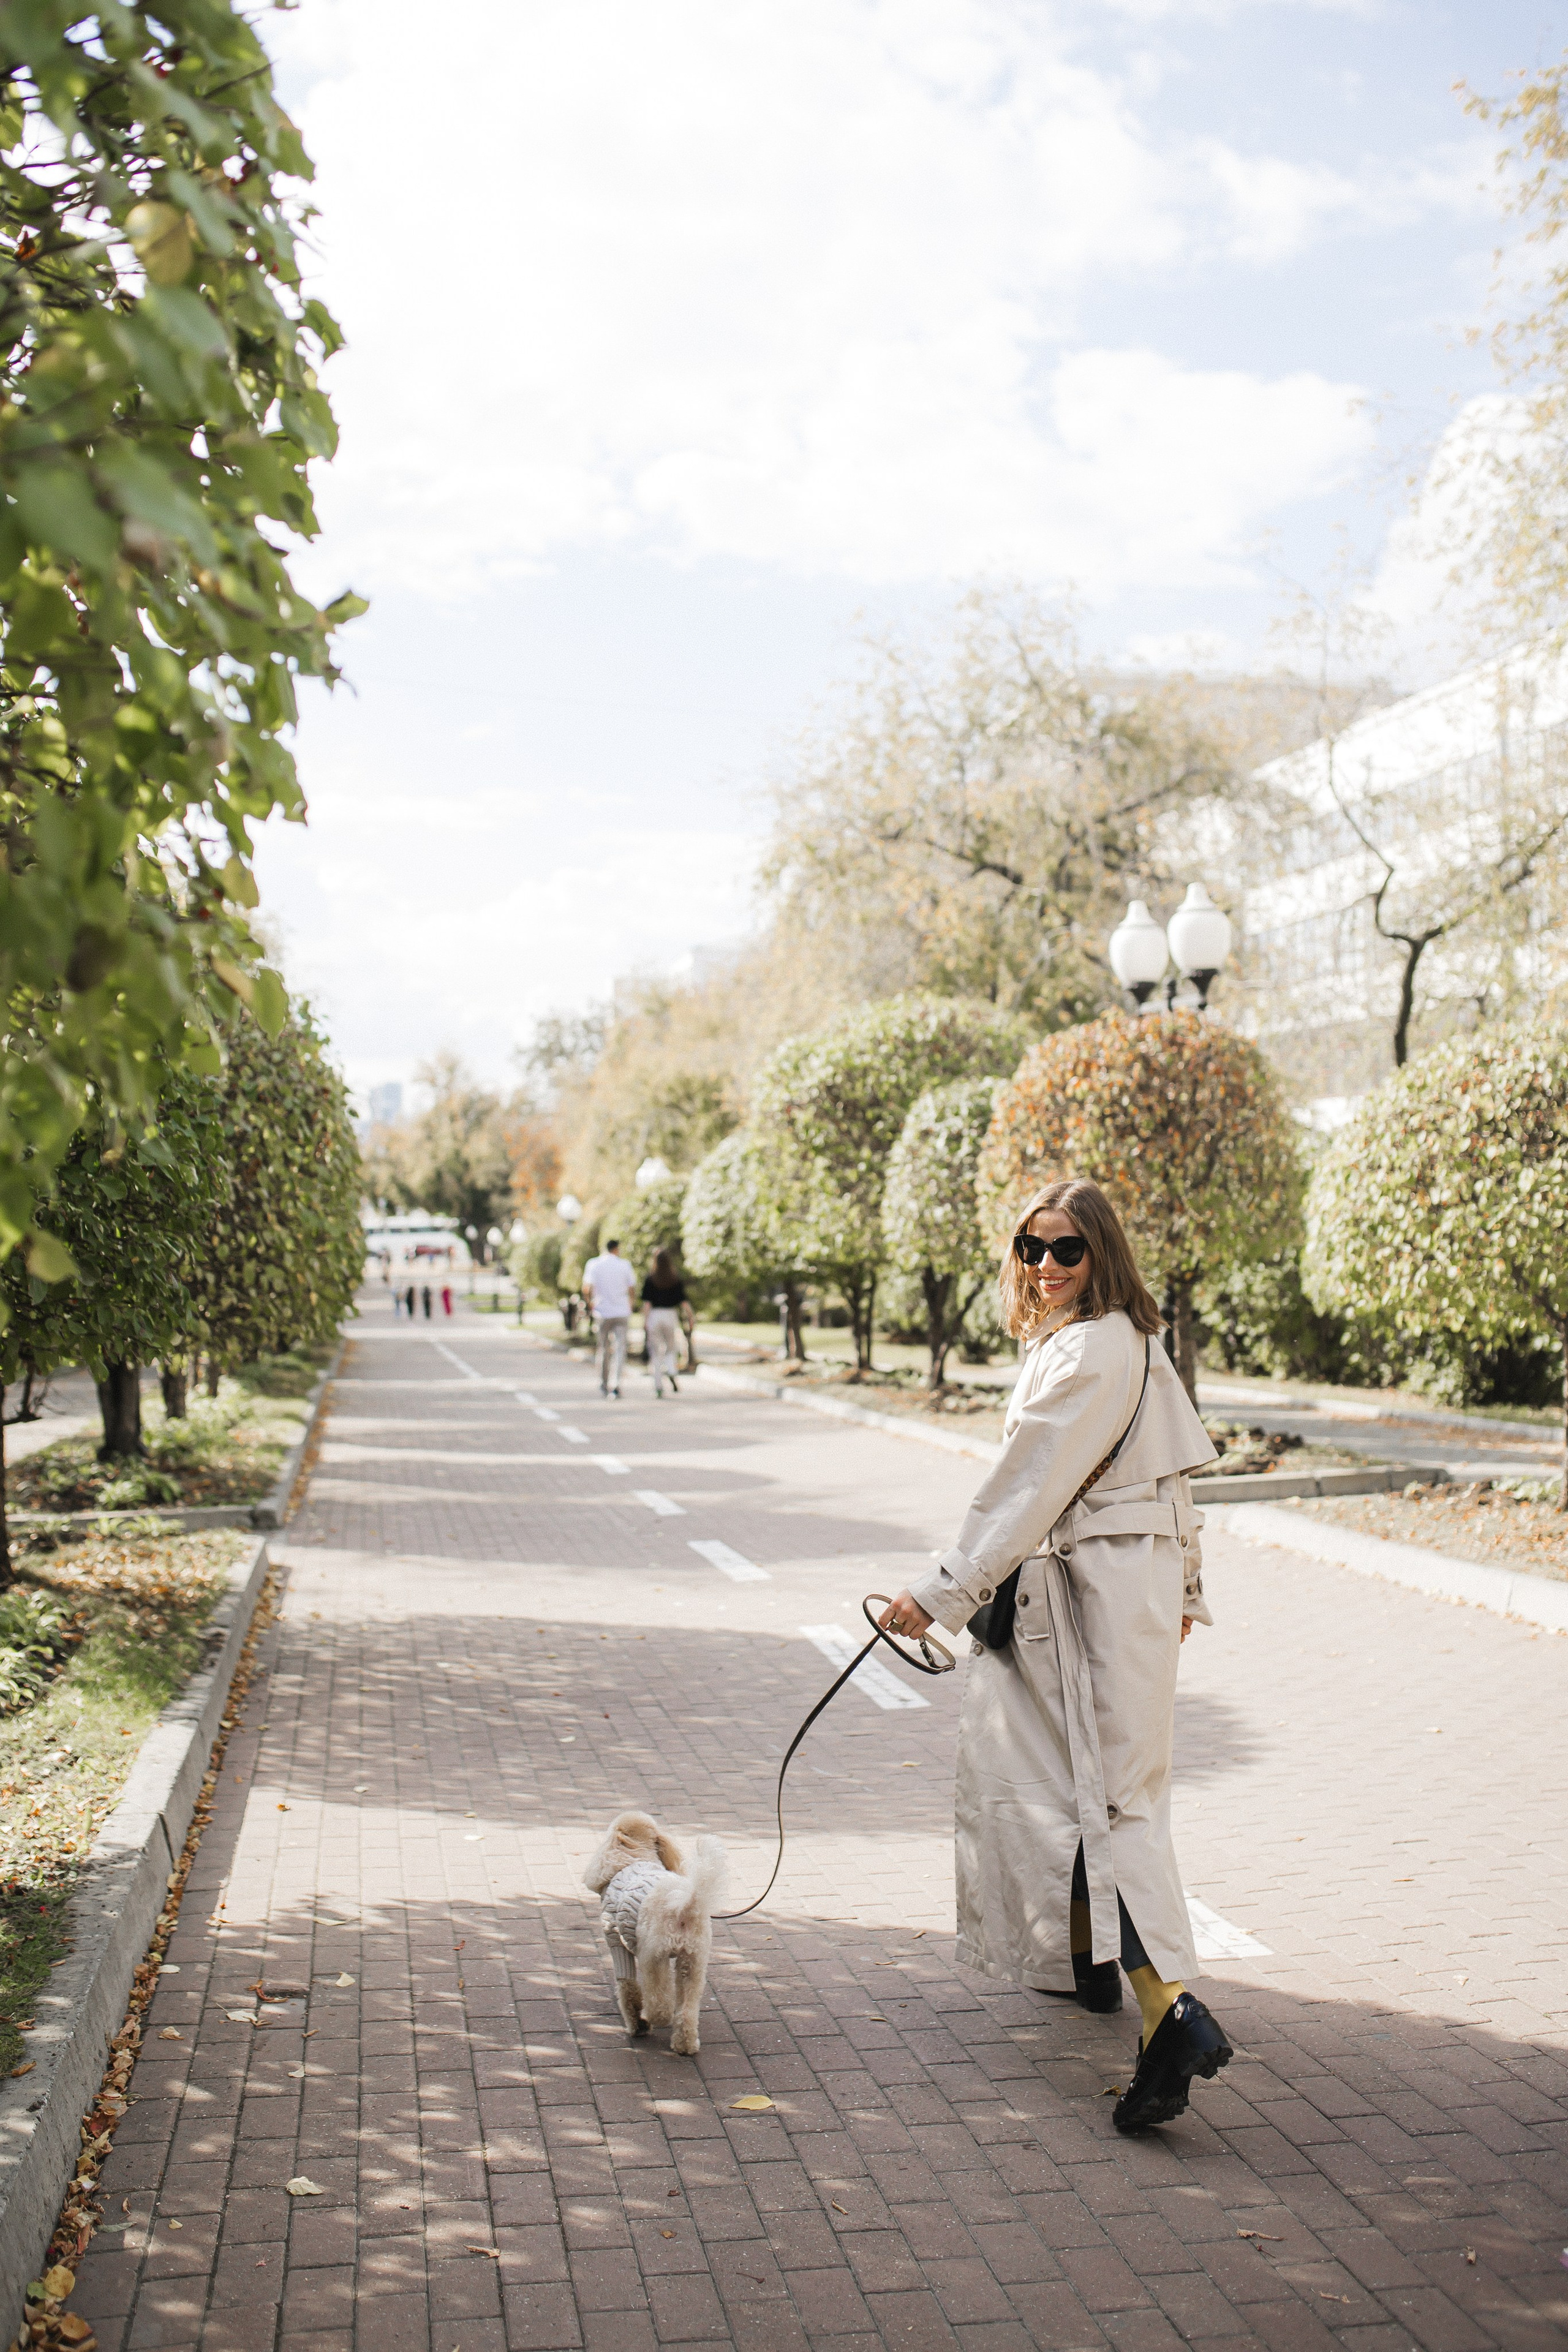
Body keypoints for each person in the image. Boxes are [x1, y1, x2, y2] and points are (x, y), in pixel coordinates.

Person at [878, 1177, 1231, 2135]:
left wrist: (941, 1593)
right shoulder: (1131, 1343)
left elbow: (1024, 1489)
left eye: (1066, 1249)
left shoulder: (1087, 1352)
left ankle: (1175, 2017)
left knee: (1104, 1800)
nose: (1045, 1266)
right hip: (1128, 1597)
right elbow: (1173, 1488)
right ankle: (1089, 1971)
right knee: (1092, 1784)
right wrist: (1186, 1591)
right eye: (1031, 1247)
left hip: (1093, 1604)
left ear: (1102, 1253)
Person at [582, 1235, 637, 1396]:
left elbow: (586, 1288)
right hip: (621, 1312)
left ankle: (603, 1382)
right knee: (620, 1349)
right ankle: (616, 1383)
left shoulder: (594, 1264)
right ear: (616, 1249)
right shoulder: (624, 1265)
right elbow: (632, 1288)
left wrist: (591, 1303)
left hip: (602, 1312)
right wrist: (630, 1305)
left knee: (604, 1349)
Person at [641, 1248, 691, 1398]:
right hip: (670, 1315)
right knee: (671, 1347)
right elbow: (684, 1302)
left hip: (655, 1316)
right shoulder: (675, 1279)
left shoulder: (650, 1279)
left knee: (655, 1352)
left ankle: (658, 1386)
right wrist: (691, 1318)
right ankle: (671, 1370)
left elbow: (647, 1304)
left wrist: (645, 1321)